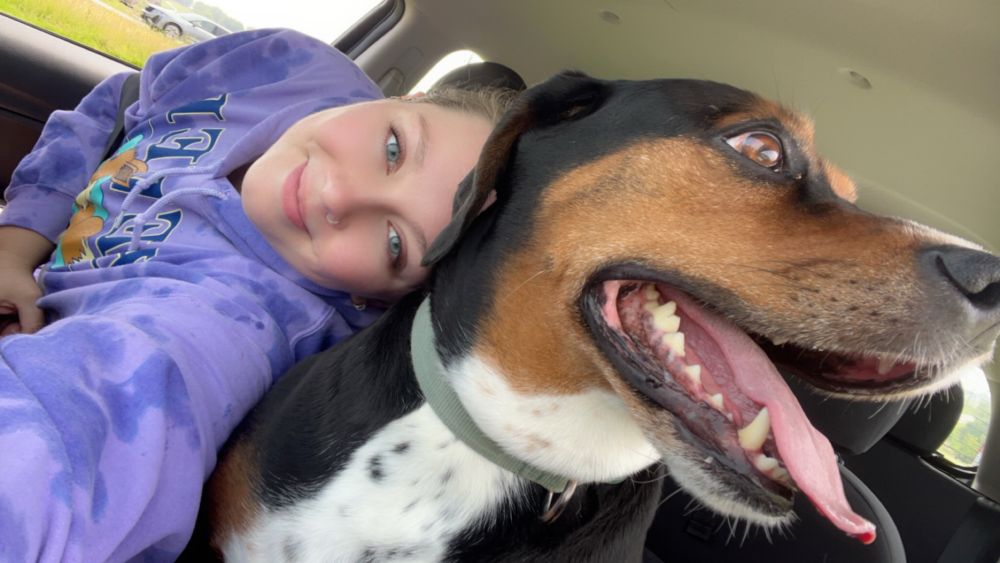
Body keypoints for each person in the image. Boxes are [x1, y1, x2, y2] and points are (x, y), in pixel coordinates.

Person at [0, 28, 515, 562]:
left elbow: (77, 444)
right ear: (407, 98)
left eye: (393, 242)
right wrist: (16, 246)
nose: (338, 195)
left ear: (384, 302)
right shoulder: (287, 65)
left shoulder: (237, 328)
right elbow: (124, 101)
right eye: (393, 147)